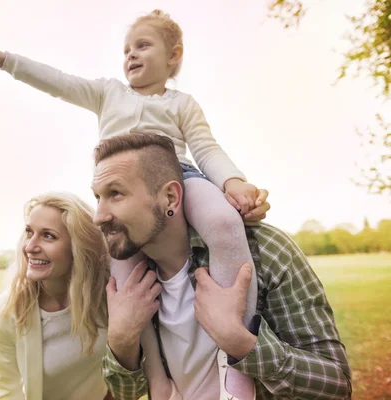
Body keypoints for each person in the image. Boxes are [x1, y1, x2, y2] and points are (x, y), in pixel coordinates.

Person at [0, 9, 265, 399]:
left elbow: (206, 147)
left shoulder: (182, 104)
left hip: (183, 177)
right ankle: (158, 379)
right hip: (120, 192)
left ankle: (233, 358)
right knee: (124, 292)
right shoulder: (108, 93)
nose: (131, 55)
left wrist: (234, 182)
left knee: (223, 223)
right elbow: (59, 83)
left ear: (173, 55)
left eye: (142, 45)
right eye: (126, 50)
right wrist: (4, 60)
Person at [92, 132, 352, 399]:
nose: (99, 217)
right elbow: (125, 392)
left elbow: (336, 387)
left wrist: (242, 344)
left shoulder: (265, 252)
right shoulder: (126, 286)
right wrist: (121, 341)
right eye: (98, 197)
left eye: (116, 194)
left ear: (170, 198)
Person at [0, 192, 112, 400]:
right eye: (29, 232)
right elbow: (7, 391)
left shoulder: (107, 295)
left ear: (78, 247)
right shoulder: (2, 313)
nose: (30, 247)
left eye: (48, 235)